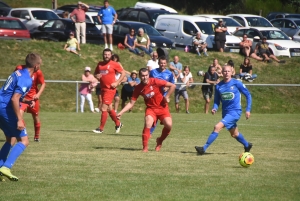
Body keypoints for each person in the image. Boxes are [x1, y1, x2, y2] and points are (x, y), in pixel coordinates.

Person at [0, 53, 42, 181]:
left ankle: (0, 167)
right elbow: (14, 98)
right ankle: (6, 167)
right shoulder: (27, 79)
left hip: (0, 105)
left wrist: (26, 101)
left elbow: (12, 93)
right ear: (36, 66)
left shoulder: (18, 72)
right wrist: (19, 119)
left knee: (10, 139)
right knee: (24, 141)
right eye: (40, 64)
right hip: (6, 109)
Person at [195, 65, 253, 155]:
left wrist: (248, 109)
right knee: (234, 134)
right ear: (222, 73)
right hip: (225, 113)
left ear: (232, 72)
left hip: (235, 112)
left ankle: (203, 148)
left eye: (228, 71)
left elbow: (248, 95)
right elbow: (217, 101)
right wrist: (215, 108)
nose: (226, 73)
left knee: (217, 127)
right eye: (225, 71)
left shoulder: (237, 83)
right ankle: (247, 145)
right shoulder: (218, 86)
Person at [117, 68, 176, 152]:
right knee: (148, 122)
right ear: (140, 76)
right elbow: (131, 103)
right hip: (151, 109)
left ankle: (160, 141)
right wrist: (121, 112)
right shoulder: (138, 88)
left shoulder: (155, 81)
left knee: (169, 125)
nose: (144, 77)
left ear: (148, 75)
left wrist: (167, 96)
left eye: (146, 75)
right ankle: (145, 148)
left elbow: (173, 85)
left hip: (162, 107)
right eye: (142, 76)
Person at [93, 49, 126, 134]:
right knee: (109, 109)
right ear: (103, 55)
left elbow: (123, 73)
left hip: (110, 89)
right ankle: (118, 123)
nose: (106, 56)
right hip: (103, 88)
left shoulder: (114, 64)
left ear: (111, 55)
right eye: (105, 54)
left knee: (103, 108)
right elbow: (95, 73)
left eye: (108, 54)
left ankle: (101, 128)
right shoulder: (100, 64)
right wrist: (97, 76)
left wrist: (117, 82)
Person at [15, 63, 46, 142]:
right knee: (19, 117)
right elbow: (14, 79)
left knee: (35, 116)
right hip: (22, 98)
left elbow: (43, 83)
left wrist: (38, 94)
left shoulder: (38, 72)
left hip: (33, 98)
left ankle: (36, 136)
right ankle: (23, 135)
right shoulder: (19, 68)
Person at [149, 56, 175, 134]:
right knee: (154, 115)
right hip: (153, 97)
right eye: (161, 63)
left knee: (161, 113)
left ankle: (151, 131)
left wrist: (167, 88)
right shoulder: (153, 72)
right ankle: (149, 132)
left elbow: (172, 84)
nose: (162, 64)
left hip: (163, 97)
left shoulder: (169, 74)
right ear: (158, 63)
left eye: (164, 63)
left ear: (166, 64)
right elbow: (149, 82)